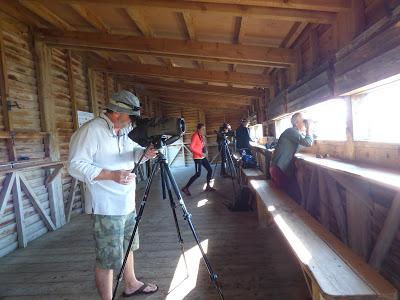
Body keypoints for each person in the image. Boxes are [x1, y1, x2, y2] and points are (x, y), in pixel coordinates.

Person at [68, 90, 158, 300]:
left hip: (127, 201)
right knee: (107, 258)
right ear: (117, 113)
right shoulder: (91, 131)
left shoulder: (124, 131)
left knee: (129, 246)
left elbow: (131, 154)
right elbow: (75, 165)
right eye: (130, 116)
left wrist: (144, 154)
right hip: (106, 206)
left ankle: (131, 284)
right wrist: (110, 175)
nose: (132, 121)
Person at [270, 112, 313, 196]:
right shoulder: (291, 131)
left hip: (279, 168)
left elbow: (308, 139)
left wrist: (310, 130)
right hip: (279, 169)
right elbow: (308, 143)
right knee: (294, 194)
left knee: (294, 192)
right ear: (296, 123)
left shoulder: (295, 133)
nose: (305, 123)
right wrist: (309, 128)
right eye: (303, 121)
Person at [181, 123, 215, 196]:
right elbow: (192, 147)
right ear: (198, 129)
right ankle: (185, 188)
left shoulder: (200, 136)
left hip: (202, 157)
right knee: (198, 174)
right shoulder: (195, 136)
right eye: (202, 129)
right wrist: (201, 154)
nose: (204, 130)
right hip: (197, 158)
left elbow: (201, 145)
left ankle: (208, 186)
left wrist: (205, 151)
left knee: (210, 170)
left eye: (204, 129)